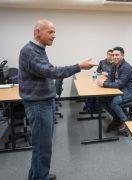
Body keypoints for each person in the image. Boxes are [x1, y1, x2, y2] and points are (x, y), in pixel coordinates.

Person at [19, 19, 98, 180]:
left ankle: (37, 175)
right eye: (50, 32)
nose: (54, 35)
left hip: (44, 102)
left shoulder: (38, 49)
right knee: (42, 147)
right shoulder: (29, 51)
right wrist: (79, 66)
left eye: (54, 32)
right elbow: (50, 72)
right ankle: (40, 177)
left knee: (42, 146)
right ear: (37, 32)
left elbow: (45, 72)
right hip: (38, 105)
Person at [97, 46, 132, 134]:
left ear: (122, 56)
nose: (115, 57)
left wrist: (104, 84)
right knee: (103, 100)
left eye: (117, 55)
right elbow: (110, 79)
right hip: (119, 90)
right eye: (113, 55)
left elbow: (120, 84)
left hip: (129, 92)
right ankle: (117, 118)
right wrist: (104, 82)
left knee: (113, 101)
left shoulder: (126, 67)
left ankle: (124, 121)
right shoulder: (114, 66)